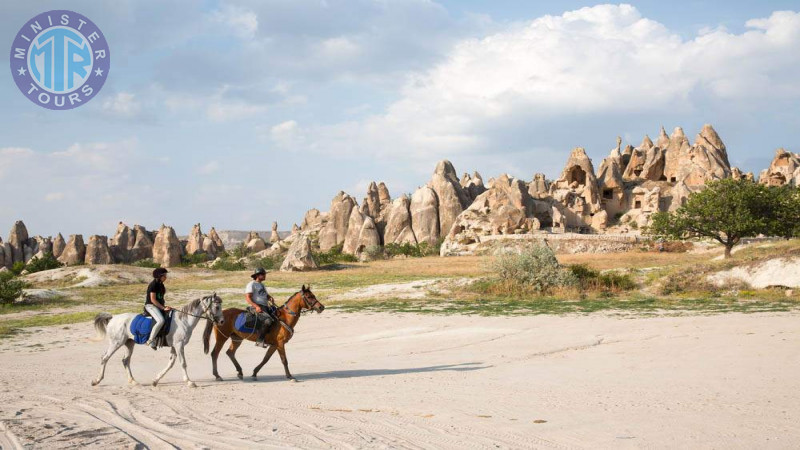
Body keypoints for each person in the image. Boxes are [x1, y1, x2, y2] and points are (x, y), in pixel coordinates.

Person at [245, 267, 277, 347]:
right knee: (268, 320)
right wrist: (256, 307)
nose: (265, 275)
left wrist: (269, 297)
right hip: (257, 306)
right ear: (258, 275)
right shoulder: (251, 284)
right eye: (263, 274)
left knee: (277, 316)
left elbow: (264, 294)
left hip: (265, 306)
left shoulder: (262, 285)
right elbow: (248, 298)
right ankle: (260, 340)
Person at [145, 267, 171, 350]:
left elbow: (160, 298)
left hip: (158, 306)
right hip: (151, 306)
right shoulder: (153, 285)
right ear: (160, 276)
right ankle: (151, 340)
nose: (166, 277)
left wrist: (165, 307)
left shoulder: (161, 284)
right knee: (161, 321)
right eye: (164, 275)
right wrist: (163, 308)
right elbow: (153, 300)